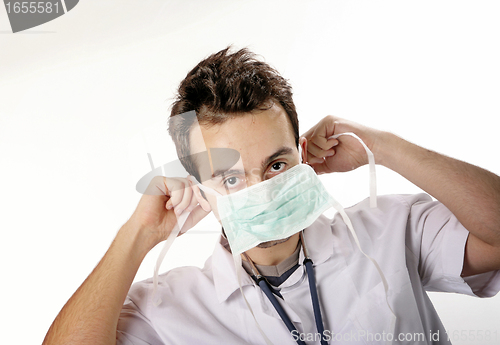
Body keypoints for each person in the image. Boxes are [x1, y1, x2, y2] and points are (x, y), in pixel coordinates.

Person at [43, 47, 500, 345]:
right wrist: (137, 235)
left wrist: (380, 146)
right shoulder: (170, 308)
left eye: (276, 166)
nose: (261, 192)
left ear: (303, 158)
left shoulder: (390, 231)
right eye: (230, 179)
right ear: (198, 189)